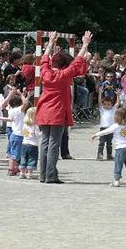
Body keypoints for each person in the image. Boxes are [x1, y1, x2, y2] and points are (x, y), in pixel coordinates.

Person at [36, 30, 92, 184]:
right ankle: (51, 175)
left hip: (43, 110)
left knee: (44, 143)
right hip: (57, 112)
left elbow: (44, 60)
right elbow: (77, 63)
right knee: (54, 144)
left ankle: (43, 174)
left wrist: (51, 43)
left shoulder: (45, 73)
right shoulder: (63, 75)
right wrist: (85, 44)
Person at [90, 107, 126, 187]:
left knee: (118, 164)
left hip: (120, 148)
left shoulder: (116, 126)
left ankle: (117, 180)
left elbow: (106, 131)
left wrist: (96, 134)